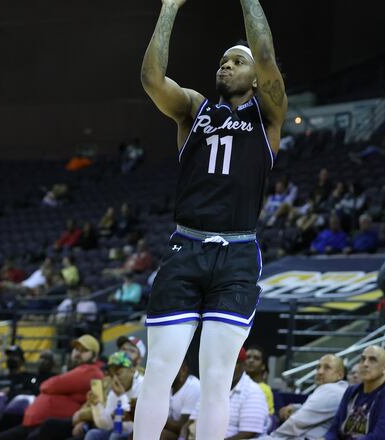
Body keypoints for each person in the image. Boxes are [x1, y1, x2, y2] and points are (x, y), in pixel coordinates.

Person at [134, 0, 288, 438]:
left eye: (237, 62)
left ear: (257, 79)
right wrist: (168, 8)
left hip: (237, 253)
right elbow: (150, 79)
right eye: (222, 61)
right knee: (159, 370)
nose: (226, 67)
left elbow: (266, 55)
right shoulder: (194, 109)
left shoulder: (269, 116)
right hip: (186, 247)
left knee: (217, 380)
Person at [0, 335, 104, 440]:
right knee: (2, 437)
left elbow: (48, 385)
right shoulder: (77, 370)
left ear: (94, 356)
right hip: (36, 423)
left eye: (84, 350)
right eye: (76, 349)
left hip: (56, 424)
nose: (78, 353)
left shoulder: (91, 371)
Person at [325, 345, 385, 440]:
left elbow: (381, 437)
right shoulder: (352, 391)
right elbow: (334, 430)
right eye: (362, 359)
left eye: (372, 360)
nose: (365, 364)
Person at [183, 348, 268, 439]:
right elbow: (192, 421)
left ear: (243, 365)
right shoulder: (212, 388)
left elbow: (247, 434)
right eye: (223, 363)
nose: (226, 367)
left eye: (233, 363)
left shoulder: (253, 391)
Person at [264, 354, 348, 440]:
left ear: (340, 375)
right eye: (318, 367)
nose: (320, 372)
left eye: (327, 368)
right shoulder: (340, 389)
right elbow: (314, 412)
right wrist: (296, 408)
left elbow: (297, 422)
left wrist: (273, 436)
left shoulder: (331, 390)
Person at [77, 351, 144, 440]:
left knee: (116, 436)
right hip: (122, 432)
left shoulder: (143, 386)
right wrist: (96, 405)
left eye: (118, 373)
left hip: (140, 434)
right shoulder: (114, 392)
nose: (115, 379)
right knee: (93, 434)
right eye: (112, 375)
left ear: (132, 370)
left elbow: (130, 427)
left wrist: (121, 396)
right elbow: (106, 425)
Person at [162, 362, 200, 440]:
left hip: (185, 435)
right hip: (169, 429)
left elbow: (182, 427)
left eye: (170, 367)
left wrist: (155, 417)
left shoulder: (193, 387)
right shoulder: (168, 385)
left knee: (162, 436)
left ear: (183, 370)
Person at [244, 346, 274, 415]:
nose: (251, 360)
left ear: (263, 366)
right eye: (248, 357)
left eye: (256, 358)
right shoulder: (236, 386)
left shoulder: (266, 390)